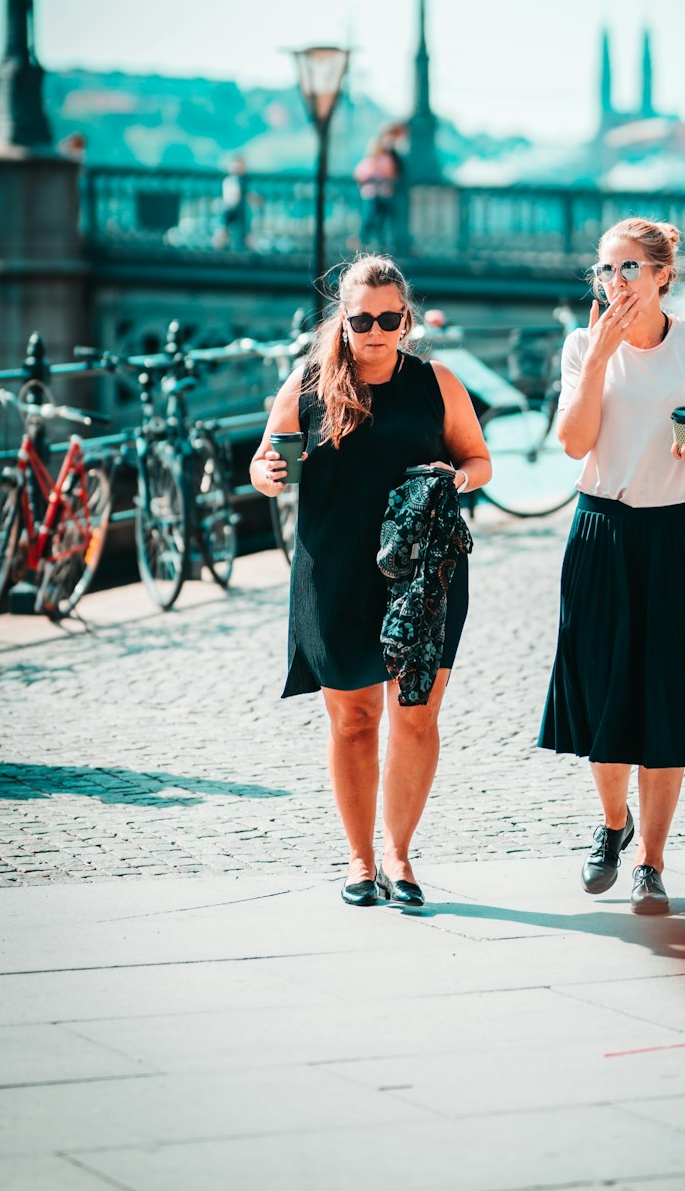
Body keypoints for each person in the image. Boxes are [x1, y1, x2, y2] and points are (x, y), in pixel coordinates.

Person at [250, 255, 491, 907]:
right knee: (355, 718)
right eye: (363, 319)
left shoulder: (436, 382)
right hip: (334, 569)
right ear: (344, 319)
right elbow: (267, 460)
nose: (377, 330)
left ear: (406, 318)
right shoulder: (307, 383)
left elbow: (479, 459)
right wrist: (267, 473)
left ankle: (399, 855)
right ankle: (359, 860)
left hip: (423, 572)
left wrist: (453, 479)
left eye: (390, 318)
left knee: (414, 715)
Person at [538, 217, 685, 915]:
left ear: (664, 275)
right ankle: (611, 824)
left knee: (666, 699)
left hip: (678, 534)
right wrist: (599, 359)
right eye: (606, 270)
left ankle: (652, 863)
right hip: (601, 529)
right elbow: (573, 444)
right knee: (604, 692)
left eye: (629, 268)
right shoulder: (581, 346)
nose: (615, 282)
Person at [353, 127, 404, 251]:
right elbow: (360, 174)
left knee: (379, 221)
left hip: (383, 194)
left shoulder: (389, 159)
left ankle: (375, 245)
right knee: (370, 219)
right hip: (374, 194)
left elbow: (394, 174)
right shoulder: (372, 160)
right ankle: (365, 243)